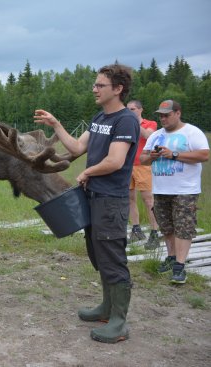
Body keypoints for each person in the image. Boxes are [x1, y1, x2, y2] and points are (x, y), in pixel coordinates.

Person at [34, 64, 139, 344]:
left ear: (117, 89)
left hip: (111, 200)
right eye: (95, 84)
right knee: (99, 254)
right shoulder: (99, 118)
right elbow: (77, 149)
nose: (94, 88)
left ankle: (119, 321)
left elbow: (116, 161)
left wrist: (87, 172)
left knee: (113, 257)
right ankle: (106, 308)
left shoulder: (125, 121)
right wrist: (56, 124)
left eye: (100, 85)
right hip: (93, 198)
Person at [139, 100, 209, 284]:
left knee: (183, 227)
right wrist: (151, 157)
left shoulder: (192, 132)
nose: (163, 118)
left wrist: (175, 154)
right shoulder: (155, 135)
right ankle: (171, 257)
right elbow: (143, 159)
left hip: (185, 189)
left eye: (166, 114)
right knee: (166, 226)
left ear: (178, 113)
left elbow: (204, 155)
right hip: (161, 188)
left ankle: (180, 266)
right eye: (160, 115)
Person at [126, 100, 160, 249]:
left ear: (140, 110)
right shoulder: (125, 123)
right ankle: (136, 229)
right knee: (129, 199)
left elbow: (148, 136)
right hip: (127, 166)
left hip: (143, 166)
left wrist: (134, 122)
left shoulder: (150, 123)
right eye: (127, 110)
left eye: (132, 109)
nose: (129, 111)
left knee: (148, 200)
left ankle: (154, 233)